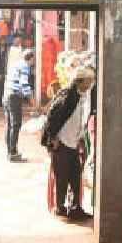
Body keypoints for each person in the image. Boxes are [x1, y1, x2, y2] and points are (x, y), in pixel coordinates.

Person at [41, 67, 94, 221]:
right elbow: (52, 116)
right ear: (81, 81)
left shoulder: (80, 95)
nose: (91, 84)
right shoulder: (68, 96)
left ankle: (75, 208)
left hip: (72, 143)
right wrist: (52, 137)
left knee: (75, 177)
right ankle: (60, 208)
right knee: (62, 178)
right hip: (62, 143)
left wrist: (79, 138)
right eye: (89, 81)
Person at [3, 49, 34, 162]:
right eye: (33, 60)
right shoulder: (25, 66)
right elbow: (24, 84)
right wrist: (31, 100)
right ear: (30, 59)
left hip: (7, 95)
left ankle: (10, 151)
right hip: (14, 97)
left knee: (10, 124)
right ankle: (13, 153)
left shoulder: (15, 64)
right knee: (16, 124)